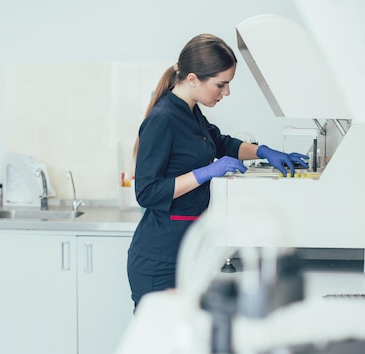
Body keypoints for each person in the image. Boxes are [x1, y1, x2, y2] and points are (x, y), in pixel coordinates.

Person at [127, 34, 308, 307]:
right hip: (159, 259)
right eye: (221, 85)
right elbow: (147, 192)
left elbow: (221, 143)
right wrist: (204, 173)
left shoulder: (190, 112)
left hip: (185, 252)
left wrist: (264, 152)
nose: (226, 93)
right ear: (192, 79)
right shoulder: (163, 118)